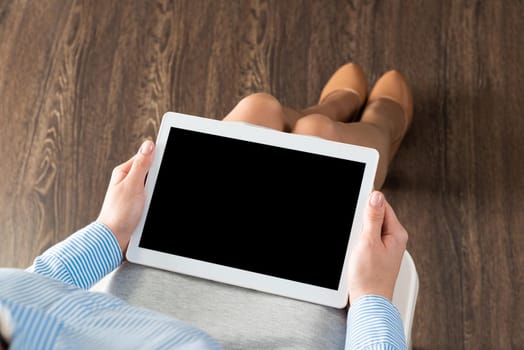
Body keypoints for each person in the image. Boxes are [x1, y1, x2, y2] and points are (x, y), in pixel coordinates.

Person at [0, 62, 412, 349]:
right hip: (296, 316)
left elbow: (32, 293)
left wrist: (110, 233)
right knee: (320, 139)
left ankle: (324, 113)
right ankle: (378, 128)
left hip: (155, 283)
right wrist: (372, 299)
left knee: (258, 108)